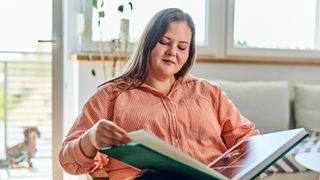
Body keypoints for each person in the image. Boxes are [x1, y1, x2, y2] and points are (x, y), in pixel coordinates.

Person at [59, 8, 259, 179]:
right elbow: (68, 161)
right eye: (164, 42)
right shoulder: (111, 96)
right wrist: (90, 138)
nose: (173, 51)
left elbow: (249, 140)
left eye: (182, 47)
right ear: (149, 42)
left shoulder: (209, 93)